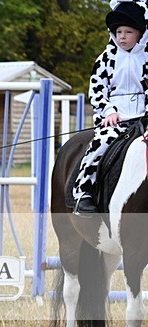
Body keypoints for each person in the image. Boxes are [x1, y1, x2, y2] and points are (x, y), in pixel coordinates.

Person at [73, 0, 148, 214]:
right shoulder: (106, 59)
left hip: (143, 117)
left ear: (140, 34)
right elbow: (96, 89)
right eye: (118, 32)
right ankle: (82, 192)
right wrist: (109, 111)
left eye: (128, 32)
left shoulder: (146, 59)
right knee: (99, 145)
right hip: (114, 119)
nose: (122, 36)